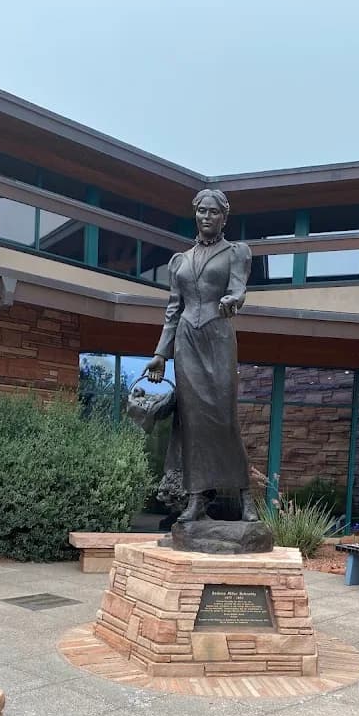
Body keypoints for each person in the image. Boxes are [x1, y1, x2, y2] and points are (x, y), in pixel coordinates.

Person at [145, 188, 258, 523]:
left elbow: (238, 289)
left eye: (213, 212)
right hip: (186, 342)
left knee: (224, 419)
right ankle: (196, 499)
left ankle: (245, 497)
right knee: (192, 423)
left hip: (218, 336)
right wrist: (160, 354)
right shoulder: (179, 261)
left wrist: (233, 300)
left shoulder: (235, 252)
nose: (207, 217)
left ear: (224, 217)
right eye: (202, 211)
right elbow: (173, 309)